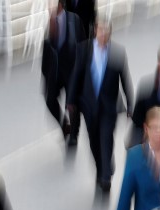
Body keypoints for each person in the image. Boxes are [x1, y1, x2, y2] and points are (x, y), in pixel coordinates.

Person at [67, 20, 134, 193]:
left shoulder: (117, 53)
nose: (103, 34)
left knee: (106, 138)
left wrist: (130, 103)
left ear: (110, 33)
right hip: (89, 105)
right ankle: (102, 166)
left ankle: (105, 177)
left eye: (106, 31)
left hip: (109, 106)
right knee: (94, 141)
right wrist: (71, 100)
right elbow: (75, 75)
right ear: (95, 31)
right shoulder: (84, 49)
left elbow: (125, 79)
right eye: (100, 30)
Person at [41, 0, 85, 147]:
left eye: (52, 4)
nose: (49, 7)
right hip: (56, 71)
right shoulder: (50, 23)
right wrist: (45, 75)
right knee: (50, 100)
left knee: (72, 104)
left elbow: (83, 46)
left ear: (60, 5)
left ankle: (74, 134)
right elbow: (47, 49)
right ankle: (64, 125)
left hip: (72, 71)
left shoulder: (74, 21)